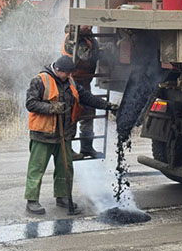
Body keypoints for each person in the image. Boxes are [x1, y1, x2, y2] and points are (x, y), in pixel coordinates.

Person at [24, 55, 118, 215]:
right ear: (57, 70)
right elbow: (30, 103)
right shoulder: (40, 80)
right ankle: (32, 201)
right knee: (36, 168)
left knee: (65, 168)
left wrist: (107, 105)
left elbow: (86, 98)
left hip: (64, 135)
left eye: (70, 74)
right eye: (66, 74)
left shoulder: (70, 82)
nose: (68, 77)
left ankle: (62, 197)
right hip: (43, 135)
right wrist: (52, 108)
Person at [62, 24, 101, 159]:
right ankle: (68, 150)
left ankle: (87, 147)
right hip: (73, 82)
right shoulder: (73, 38)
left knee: (89, 112)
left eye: (91, 24)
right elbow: (86, 55)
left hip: (84, 82)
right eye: (87, 24)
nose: (90, 27)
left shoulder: (87, 37)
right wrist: (104, 51)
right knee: (73, 114)